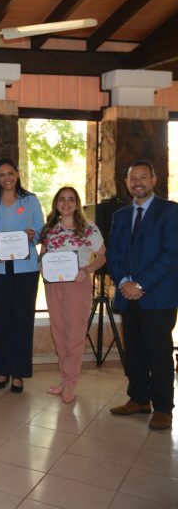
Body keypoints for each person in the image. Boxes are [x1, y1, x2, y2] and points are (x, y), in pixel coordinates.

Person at [107, 160, 178, 430]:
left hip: (158, 296)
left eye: (143, 177)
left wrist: (140, 284)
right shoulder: (120, 216)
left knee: (159, 353)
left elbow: (171, 254)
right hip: (128, 294)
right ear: (126, 183)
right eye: (132, 178)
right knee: (134, 351)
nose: (138, 182)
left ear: (154, 180)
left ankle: (163, 408)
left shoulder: (170, 212)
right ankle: (138, 399)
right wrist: (125, 282)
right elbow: (113, 253)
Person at [0, 158, 44, 394]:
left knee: (22, 321)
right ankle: (2, 370)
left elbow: (40, 230)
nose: (6, 178)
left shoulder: (30, 200)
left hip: (25, 269)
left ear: (17, 174)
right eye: (1, 175)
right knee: (3, 320)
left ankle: (19, 373)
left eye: (10, 173)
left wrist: (31, 235)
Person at [39, 187, 106, 404]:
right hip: (53, 286)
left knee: (75, 335)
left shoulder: (88, 228)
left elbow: (103, 256)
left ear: (77, 203)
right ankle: (64, 378)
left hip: (78, 285)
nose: (66, 203)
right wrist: (42, 266)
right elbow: (43, 255)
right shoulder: (50, 229)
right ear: (56, 203)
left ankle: (70, 384)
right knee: (58, 332)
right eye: (61, 199)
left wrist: (86, 270)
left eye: (70, 199)